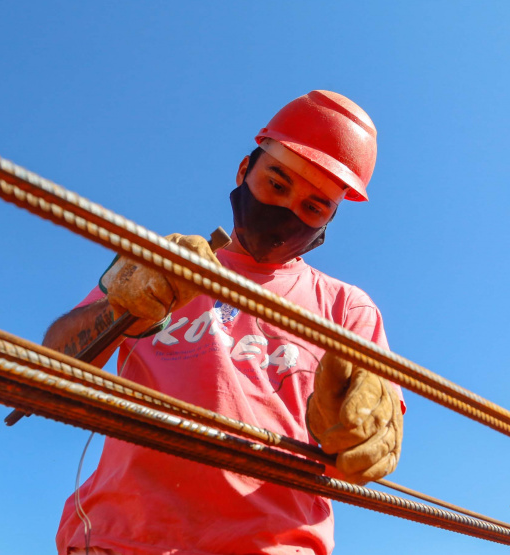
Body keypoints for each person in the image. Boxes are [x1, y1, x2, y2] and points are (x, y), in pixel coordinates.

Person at [50, 90, 404, 555]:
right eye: (277, 185)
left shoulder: (346, 309)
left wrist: (354, 430)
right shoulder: (161, 265)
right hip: (123, 540)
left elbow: (364, 449)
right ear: (244, 171)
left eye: (313, 207)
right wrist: (120, 308)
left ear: (329, 221)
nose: (286, 212)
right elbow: (53, 366)